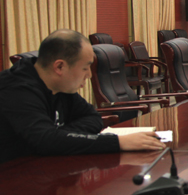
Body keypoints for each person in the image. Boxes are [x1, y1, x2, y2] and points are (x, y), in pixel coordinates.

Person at [0, 30, 165, 163]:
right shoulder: (16, 90)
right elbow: (45, 141)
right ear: (60, 67)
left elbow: (93, 118)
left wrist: (59, 136)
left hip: (43, 167)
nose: (89, 75)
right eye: (85, 68)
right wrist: (118, 142)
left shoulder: (59, 86)